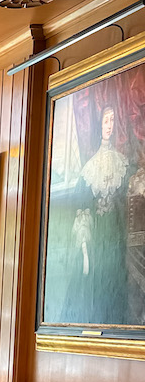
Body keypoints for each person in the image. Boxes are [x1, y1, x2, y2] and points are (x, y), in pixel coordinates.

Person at [71, 105, 129, 325]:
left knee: (117, 280)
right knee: (100, 284)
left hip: (116, 232)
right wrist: (85, 250)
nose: (109, 125)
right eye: (106, 120)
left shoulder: (122, 163)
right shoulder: (89, 169)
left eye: (113, 120)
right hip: (98, 237)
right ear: (99, 125)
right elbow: (82, 212)